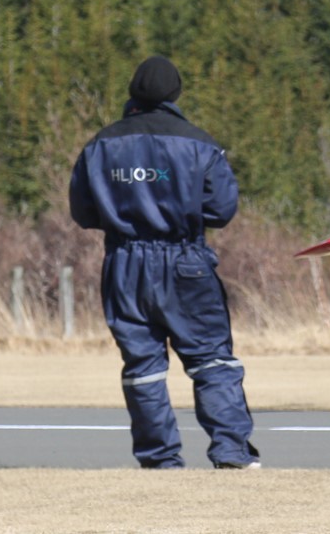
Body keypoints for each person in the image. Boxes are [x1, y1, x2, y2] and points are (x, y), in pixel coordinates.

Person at [68, 55, 260, 469]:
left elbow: (83, 213)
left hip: (124, 264)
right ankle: (231, 453)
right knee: (211, 358)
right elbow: (222, 209)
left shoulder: (100, 144)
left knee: (143, 366)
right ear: (176, 94)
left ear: (133, 92)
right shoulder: (199, 143)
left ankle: (159, 461)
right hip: (184, 260)